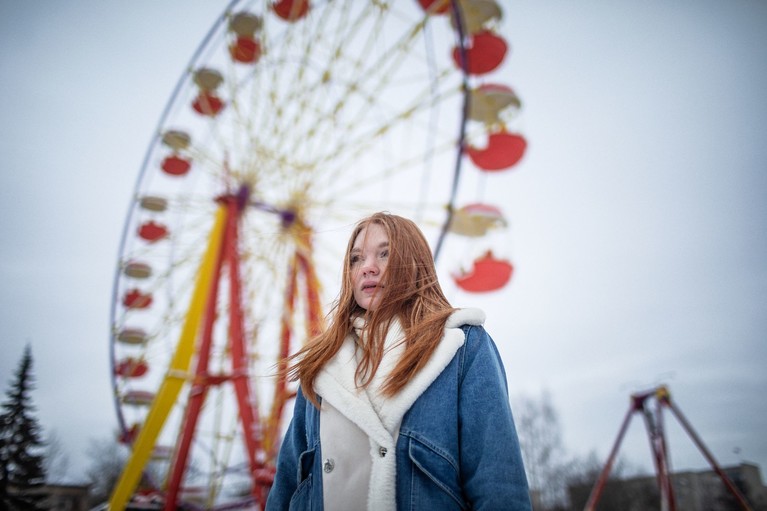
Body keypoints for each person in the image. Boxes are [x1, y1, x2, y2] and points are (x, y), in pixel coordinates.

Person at [265, 212, 531, 511]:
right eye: (355, 259)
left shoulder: (462, 347)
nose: (367, 267)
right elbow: (287, 485)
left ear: (414, 263)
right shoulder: (322, 365)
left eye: (385, 254)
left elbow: (498, 485)